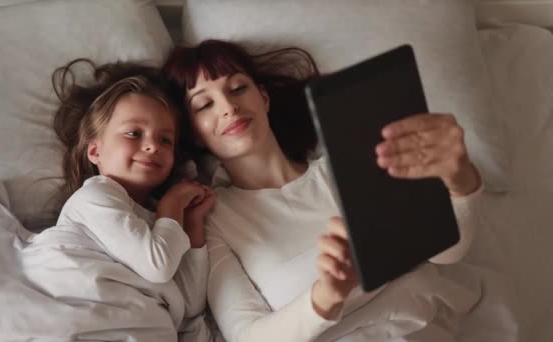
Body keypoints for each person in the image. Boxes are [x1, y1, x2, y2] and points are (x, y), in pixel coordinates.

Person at [161, 40, 517, 341]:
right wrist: (327, 295)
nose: (228, 106)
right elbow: (247, 334)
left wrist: (460, 179)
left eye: (238, 88)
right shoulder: (213, 218)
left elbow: (446, 253)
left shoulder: (347, 165)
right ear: (193, 132)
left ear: (264, 98)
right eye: (204, 104)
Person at [22, 59, 216, 341]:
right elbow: (157, 265)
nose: (152, 145)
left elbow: (189, 304)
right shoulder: (95, 196)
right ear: (95, 151)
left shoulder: (159, 222)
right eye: (134, 133)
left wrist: (194, 224)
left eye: (165, 140)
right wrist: (172, 206)